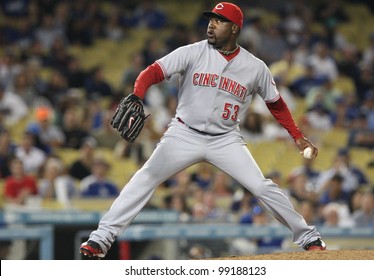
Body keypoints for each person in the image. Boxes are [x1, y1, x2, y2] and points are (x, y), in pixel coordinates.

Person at [80, 2, 325, 259]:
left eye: (219, 20)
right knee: (145, 177)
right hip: (183, 133)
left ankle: (308, 236)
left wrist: (297, 136)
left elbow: (276, 104)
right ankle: (100, 239)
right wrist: (137, 95)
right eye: (211, 19)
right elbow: (153, 72)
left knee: (262, 187)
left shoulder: (255, 67)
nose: (211, 23)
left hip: (226, 139)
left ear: (234, 29)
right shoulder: (192, 52)